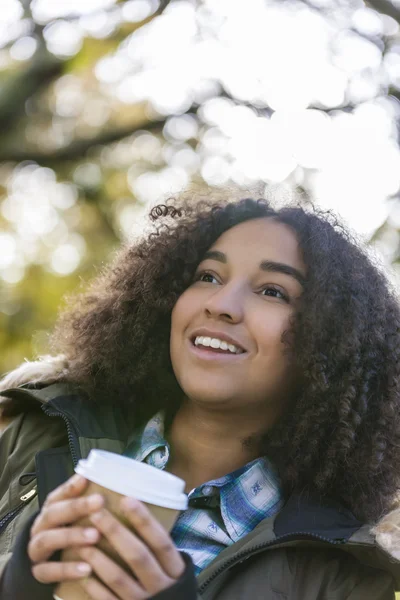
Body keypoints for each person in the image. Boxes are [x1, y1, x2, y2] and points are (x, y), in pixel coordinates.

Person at [1, 196, 400, 600]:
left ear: (331, 343)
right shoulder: (32, 430)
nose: (221, 304)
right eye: (208, 276)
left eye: (273, 291)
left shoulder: (349, 573)